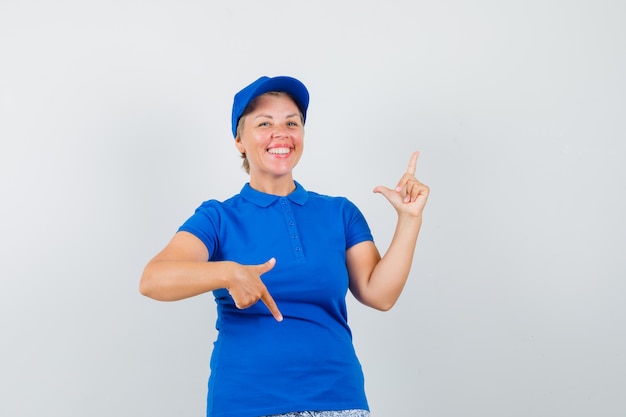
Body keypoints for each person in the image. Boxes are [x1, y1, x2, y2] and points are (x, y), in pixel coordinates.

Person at [139, 75, 430, 417]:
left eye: (292, 123)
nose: (281, 133)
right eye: (265, 123)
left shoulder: (340, 213)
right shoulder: (218, 218)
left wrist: (409, 220)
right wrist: (228, 272)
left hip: (339, 402)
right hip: (248, 404)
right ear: (240, 141)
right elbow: (153, 280)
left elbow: (379, 294)